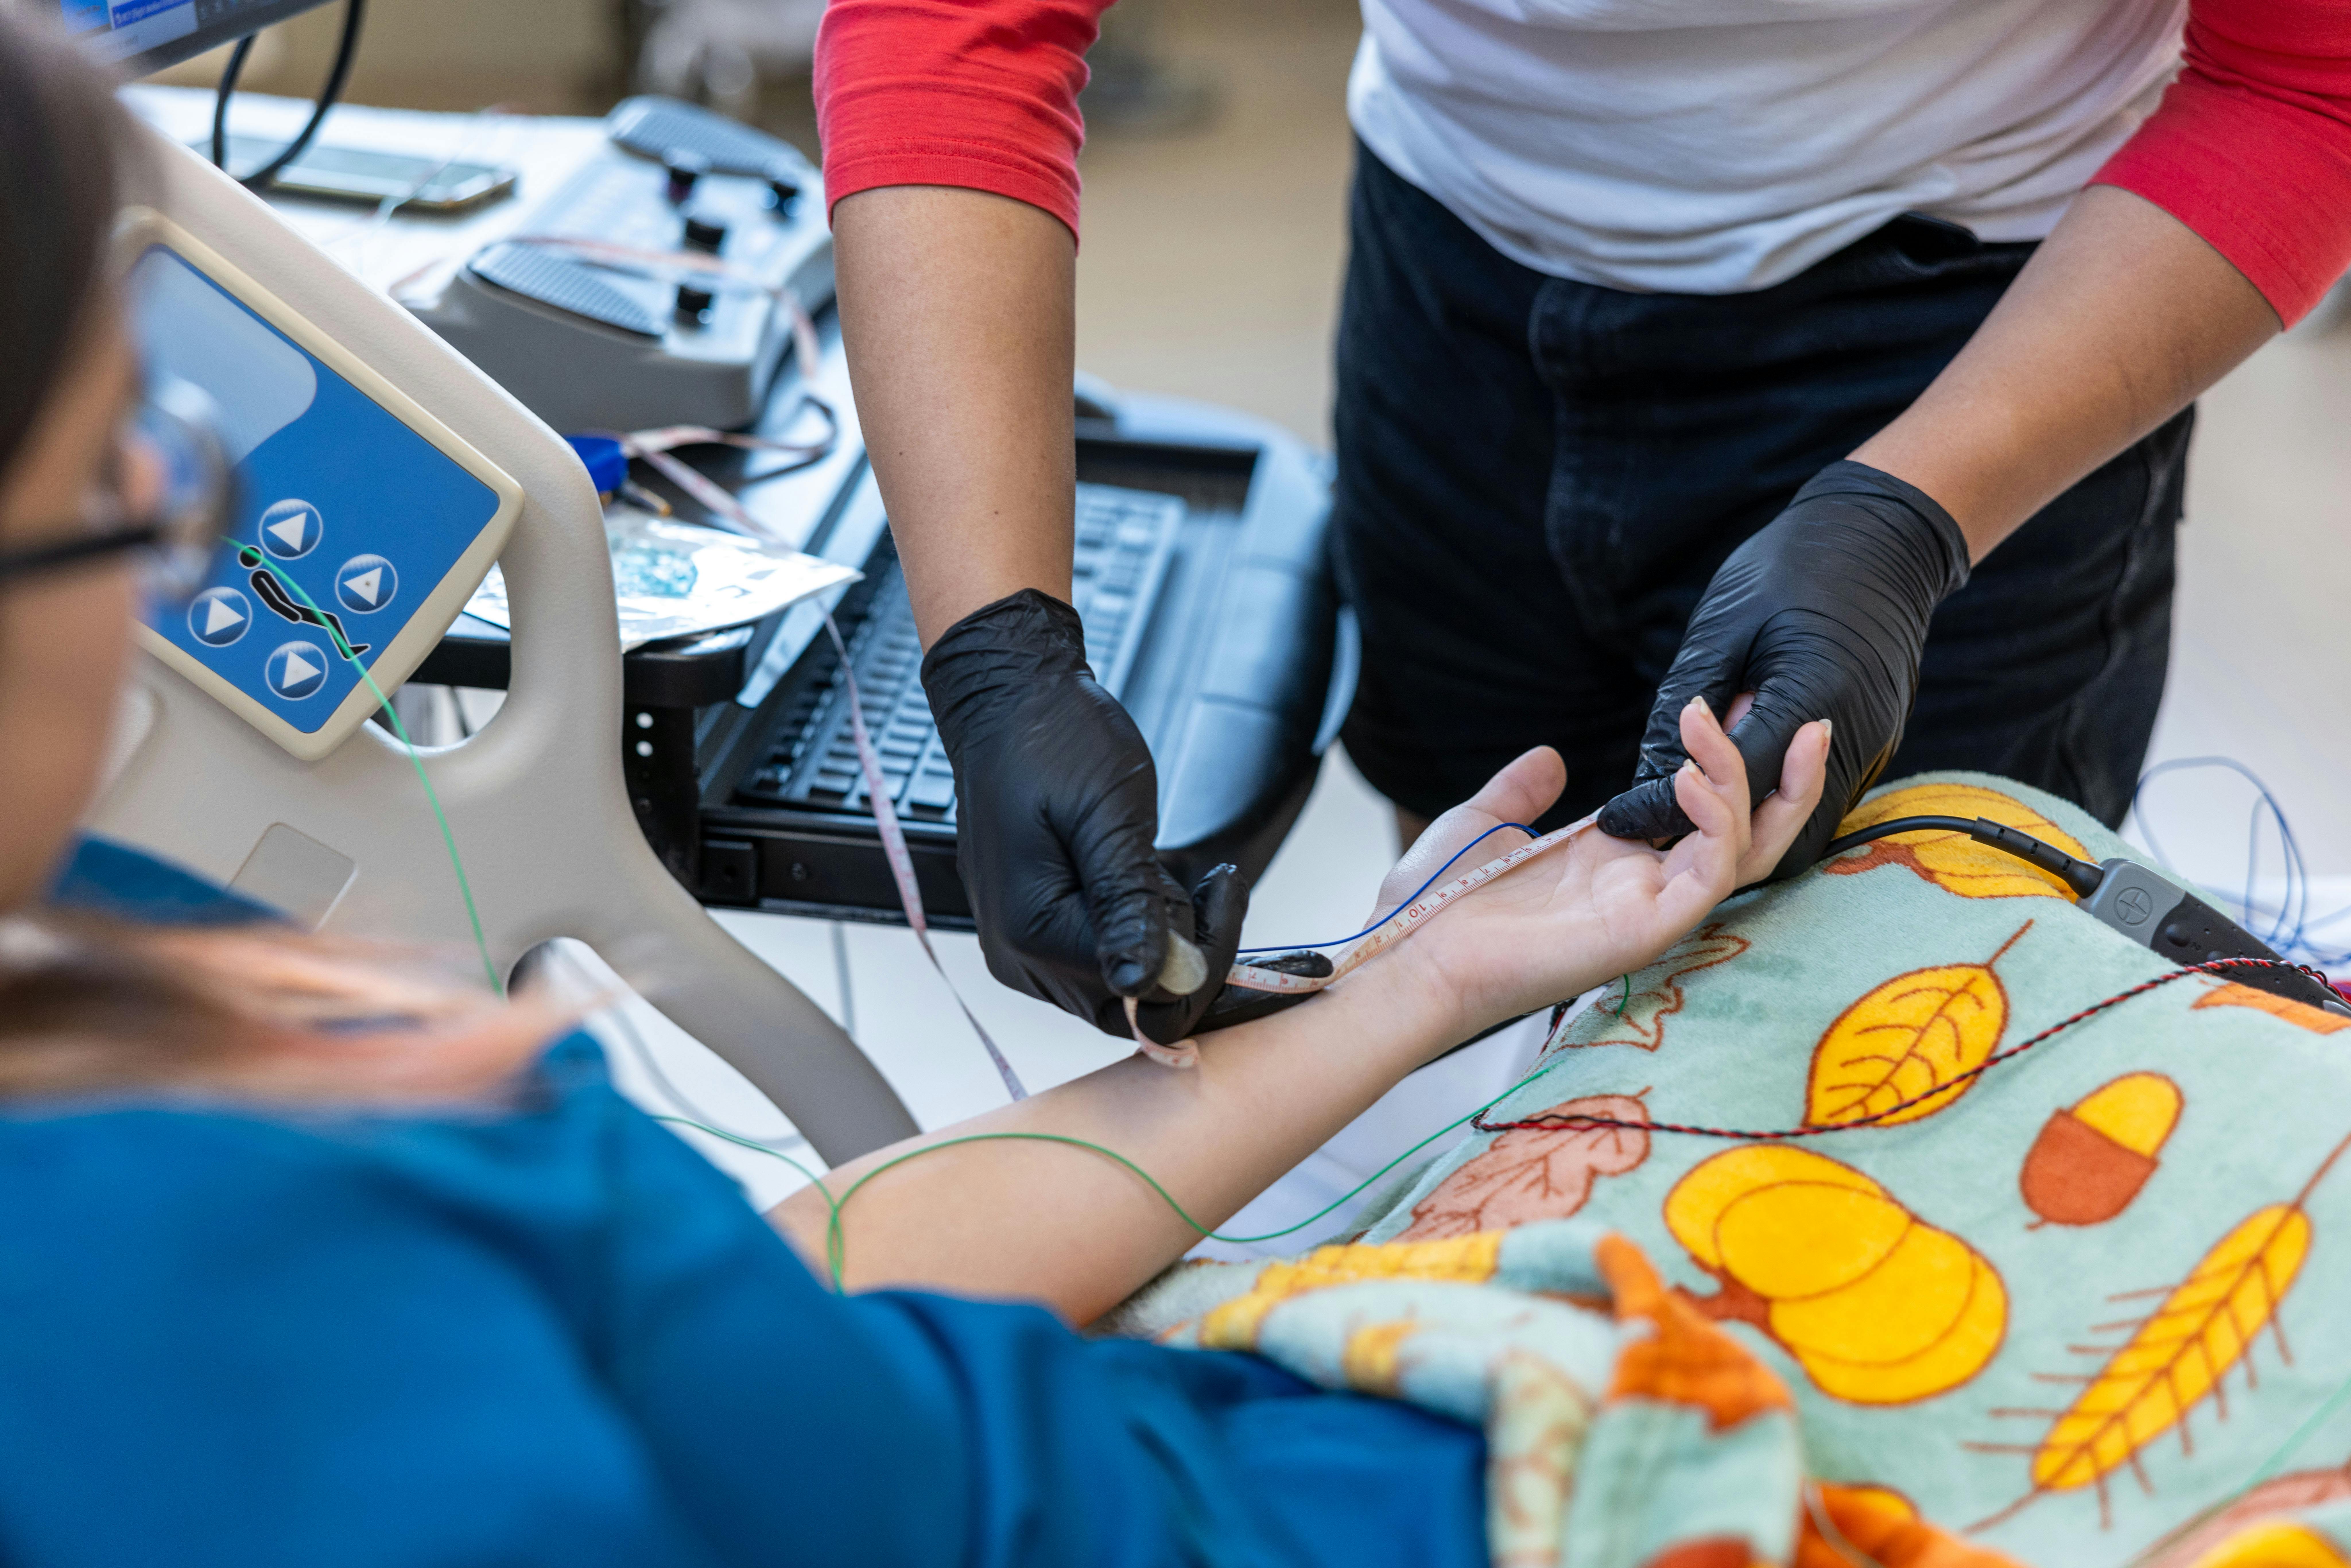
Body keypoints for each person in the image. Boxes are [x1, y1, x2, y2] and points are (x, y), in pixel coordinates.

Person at [0, 15, 1830, 1561]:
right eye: (128, 461)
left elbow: (731, 1306)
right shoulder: (184, 1289)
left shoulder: (139, 964)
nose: (191, 522)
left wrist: (1410, 986)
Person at [813, 0, 2351, 1043]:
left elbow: (2304, 72)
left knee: (1871, 1077)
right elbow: (951, 33)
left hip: (1994, 313)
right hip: (1459, 265)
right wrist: (995, 647)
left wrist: (1914, 516)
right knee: (1505, 1039)